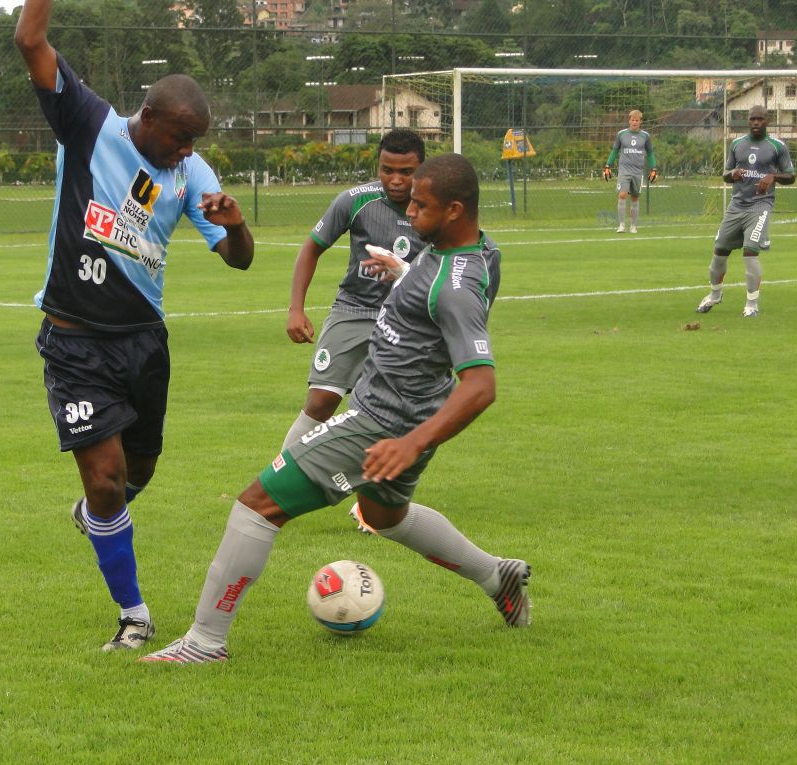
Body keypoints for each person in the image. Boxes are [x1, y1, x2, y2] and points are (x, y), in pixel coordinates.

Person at [141, 154, 530, 665]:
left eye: (421, 204)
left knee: (257, 504)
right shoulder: (480, 253)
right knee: (382, 516)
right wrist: (405, 275)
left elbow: (480, 386)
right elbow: (441, 298)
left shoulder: (452, 288)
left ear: (455, 209)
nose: (408, 212)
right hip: (407, 415)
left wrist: (411, 441)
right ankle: (493, 574)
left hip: (382, 423)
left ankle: (204, 642)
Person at [15, 0, 254, 652]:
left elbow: (238, 260)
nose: (185, 149)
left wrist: (235, 224)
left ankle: (101, 516)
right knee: (103, 477)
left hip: (144, 343)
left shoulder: (189, 172)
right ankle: (134, 614)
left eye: (194, 141)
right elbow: (29, 38)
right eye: (178, 136)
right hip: (74, 338)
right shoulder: (88, 123)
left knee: (138, 469)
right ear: (147, 116)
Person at [280, 129, 425, 534]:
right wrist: (296, 308)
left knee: (387, 416)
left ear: (421, 169)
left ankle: (369, 506)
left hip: (404, 322)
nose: (396, 180)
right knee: (322, 398)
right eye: (388, 170)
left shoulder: (429, 207)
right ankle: (281, 479)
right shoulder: (355, 200)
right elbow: (312, 246)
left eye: (407, 172)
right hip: (354, 310)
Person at [696, 104, 794, 318]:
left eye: (760, 119)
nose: (756, 123)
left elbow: (791, 176)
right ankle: (715, 295)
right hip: (736, 206)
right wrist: (733, 174)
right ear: (748, 121)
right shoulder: (737, 144)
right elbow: (725, 174)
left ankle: (752, 304)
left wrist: (773, 177)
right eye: (752, 119)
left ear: (766, 121)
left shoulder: (777, 146)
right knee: (719, 253)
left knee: (750, 252)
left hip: (760, 206)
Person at [603, 109, 657, 234]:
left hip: (638, 171)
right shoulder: (621, 134)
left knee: (635, 197)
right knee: (622, 194)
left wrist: (654, 168)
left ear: (640, 122)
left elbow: (650, 154)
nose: (634, 122)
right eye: (632, 120)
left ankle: (633, 226)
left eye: (637, 120)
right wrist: (608, 165)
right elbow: (615, 151)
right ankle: (621, 225)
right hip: (624, 170)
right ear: (629, 120)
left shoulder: (645, 136)